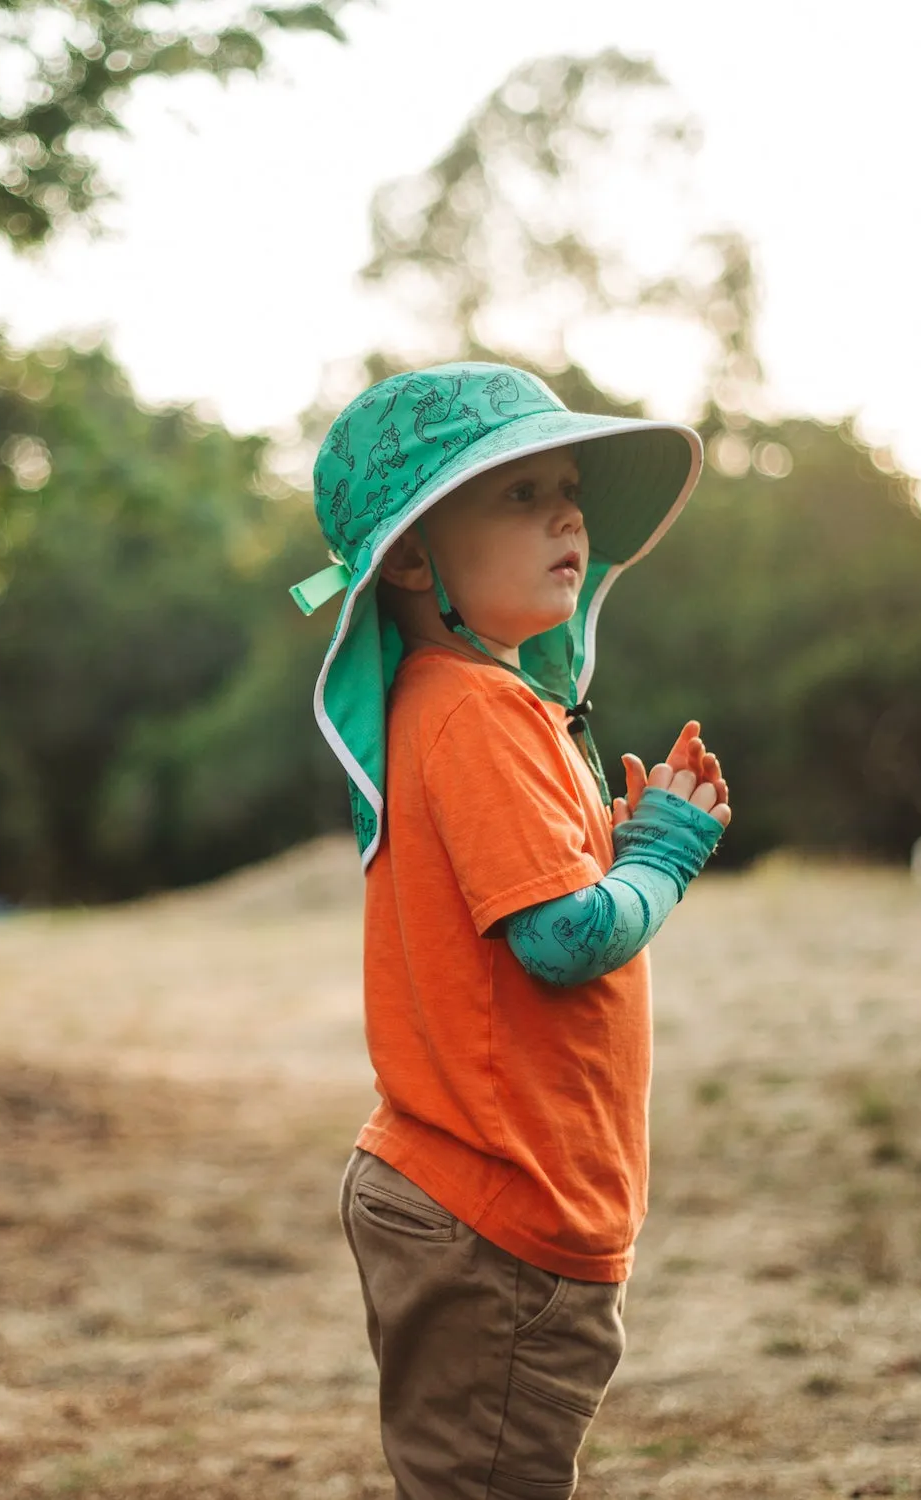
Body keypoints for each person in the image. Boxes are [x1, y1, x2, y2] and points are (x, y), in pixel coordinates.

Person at [290, 362, 731, 1499]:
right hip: (493, 1224)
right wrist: (665, 858)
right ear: (410, 558)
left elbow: (535, 904)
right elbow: (562, 940)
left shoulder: (474, 705)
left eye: (570, 487)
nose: (569, 515)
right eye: (520, 492)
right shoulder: (472, 712)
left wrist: (621, 845)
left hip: (482, 1208)